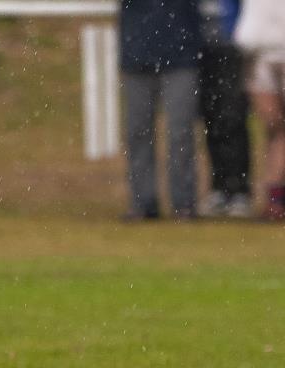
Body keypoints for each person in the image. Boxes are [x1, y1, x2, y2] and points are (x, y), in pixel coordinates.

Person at [119, 0, 203, 220]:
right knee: (138, 131)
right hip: (137, 52)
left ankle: (184, 203)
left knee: (180, 132)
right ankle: (143, 203)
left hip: (182, 53)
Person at [198, 0, 252, 218]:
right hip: (202, 50)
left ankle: (239, 189)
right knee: (211, 120)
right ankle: (219, 187)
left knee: (233, 117)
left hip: (232, 47)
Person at [234, 0, 285, 221]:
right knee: (273, 128)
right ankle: (274, 199)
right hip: (257, 51)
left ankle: (274, 199)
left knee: (279, 131)